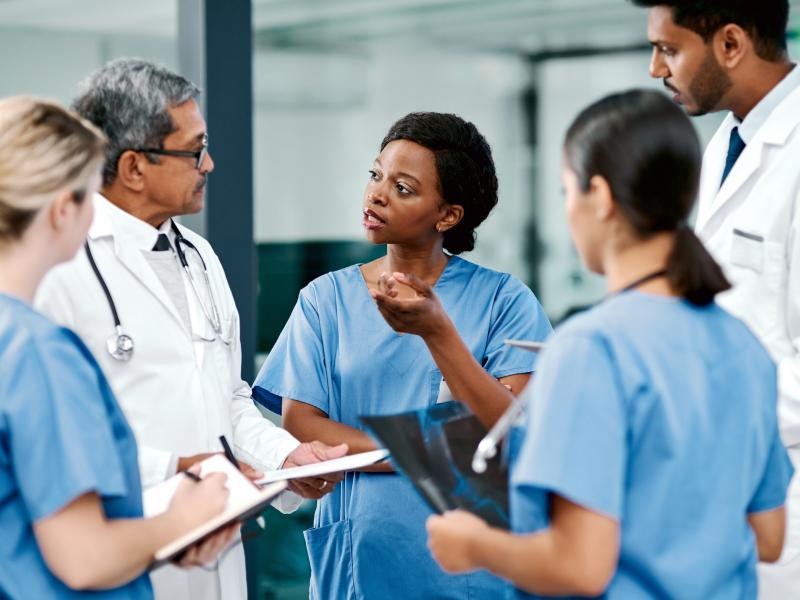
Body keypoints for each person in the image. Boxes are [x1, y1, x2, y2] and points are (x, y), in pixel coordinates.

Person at [425, 90, 794, 598]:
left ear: (599, 197)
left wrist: (475, 545)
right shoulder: (743, 347)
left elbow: (580, 567)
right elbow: (769, 537)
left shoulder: (591, 350)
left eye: (566, 190)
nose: (570, 211)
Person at [34, 58, 345, 600]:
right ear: (134, 167)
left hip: (217, 546)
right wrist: (180, 471)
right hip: (120, 544)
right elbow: (51, 438)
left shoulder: (199, 257)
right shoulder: (60, 266)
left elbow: (228, 400)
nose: (210, 164)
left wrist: (284, 458)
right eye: (194, 149)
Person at [253, 111, 552, 599]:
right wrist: (429, 454)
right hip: (359, 561)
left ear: (448, 215)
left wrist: (438, 338)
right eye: (376, 175)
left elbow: (508, 431)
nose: (376, 194)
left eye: (404, 188)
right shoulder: (324, 301)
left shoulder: (505, 301)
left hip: (469, 567)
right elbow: (303, 427)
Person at [0, 96, 239, 599]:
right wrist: (183, 519)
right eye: (91, 196)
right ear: (64, 210)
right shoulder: (37, 351)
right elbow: (85, 559)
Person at [632, 1, 800, 595]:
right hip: (728, 477)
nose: (656, 69)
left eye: (669, 49)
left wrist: (710, 425)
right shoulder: (725, 145)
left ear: (731, 44)